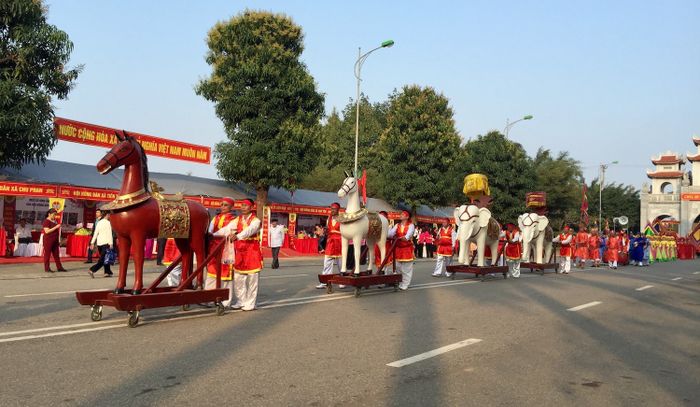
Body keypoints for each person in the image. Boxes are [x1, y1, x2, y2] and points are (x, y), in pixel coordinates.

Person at [214, 198, 262, 311]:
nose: (243, 207)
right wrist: (213, 234)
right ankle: (241, 301)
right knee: (238, 279)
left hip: (252, 252)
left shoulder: (256, 221)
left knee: (252, 280)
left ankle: (250, 303)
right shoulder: (238, 219)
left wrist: (238, 236)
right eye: (242, 205)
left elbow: (249, 230)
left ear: (251, 208)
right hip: (240, 252)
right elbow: (227, 229)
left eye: (245, 206)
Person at [205, 197, 236, 306]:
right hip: (214, 249)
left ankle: (225, 301)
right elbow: (209, 230)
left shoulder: (233, 219)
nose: (222, 207)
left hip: (227, 249)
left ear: (231, 207)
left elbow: (227, 231)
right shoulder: (216, 218)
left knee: (227, 275)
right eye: (221, 204)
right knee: (211, 273)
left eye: (225, 205)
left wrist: (213, 235)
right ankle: (208, 298)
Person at [317, 203, 342, 289]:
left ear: (338, 210)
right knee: (327, 262)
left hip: (339, 243)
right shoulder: (329, 218)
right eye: (331, 209)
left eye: (334, 209)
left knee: (341, 264)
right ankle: (324, 282)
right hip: (330, 242)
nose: (332, 210)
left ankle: (342, 281)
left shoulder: (342, 219)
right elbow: (328, 230)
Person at [388, 210, 415, 290]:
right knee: (397, 267)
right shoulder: (397, 225)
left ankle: (405, 283)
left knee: (406, 269)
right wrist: (387, 229)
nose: (401, 215)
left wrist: (403, 238)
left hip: (406, 249)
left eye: (403, 214)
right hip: (398, 249)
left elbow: (408, 236)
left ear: (407, 217)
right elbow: (390, 234)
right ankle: (399, 281)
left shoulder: (411, 225)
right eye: (401, 214)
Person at [88, 211, 114, 277]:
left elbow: (95, 233)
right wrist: (111, 243)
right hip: (106, 243)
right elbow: (109, 234)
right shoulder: (108, 223)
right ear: (107, 215)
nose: (110, 216)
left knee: (106, 258)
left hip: (99, 243)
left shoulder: (99, 222)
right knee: (103, 260)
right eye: (109, 215)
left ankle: (107, 272)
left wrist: (92, 243)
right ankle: (92, 270)